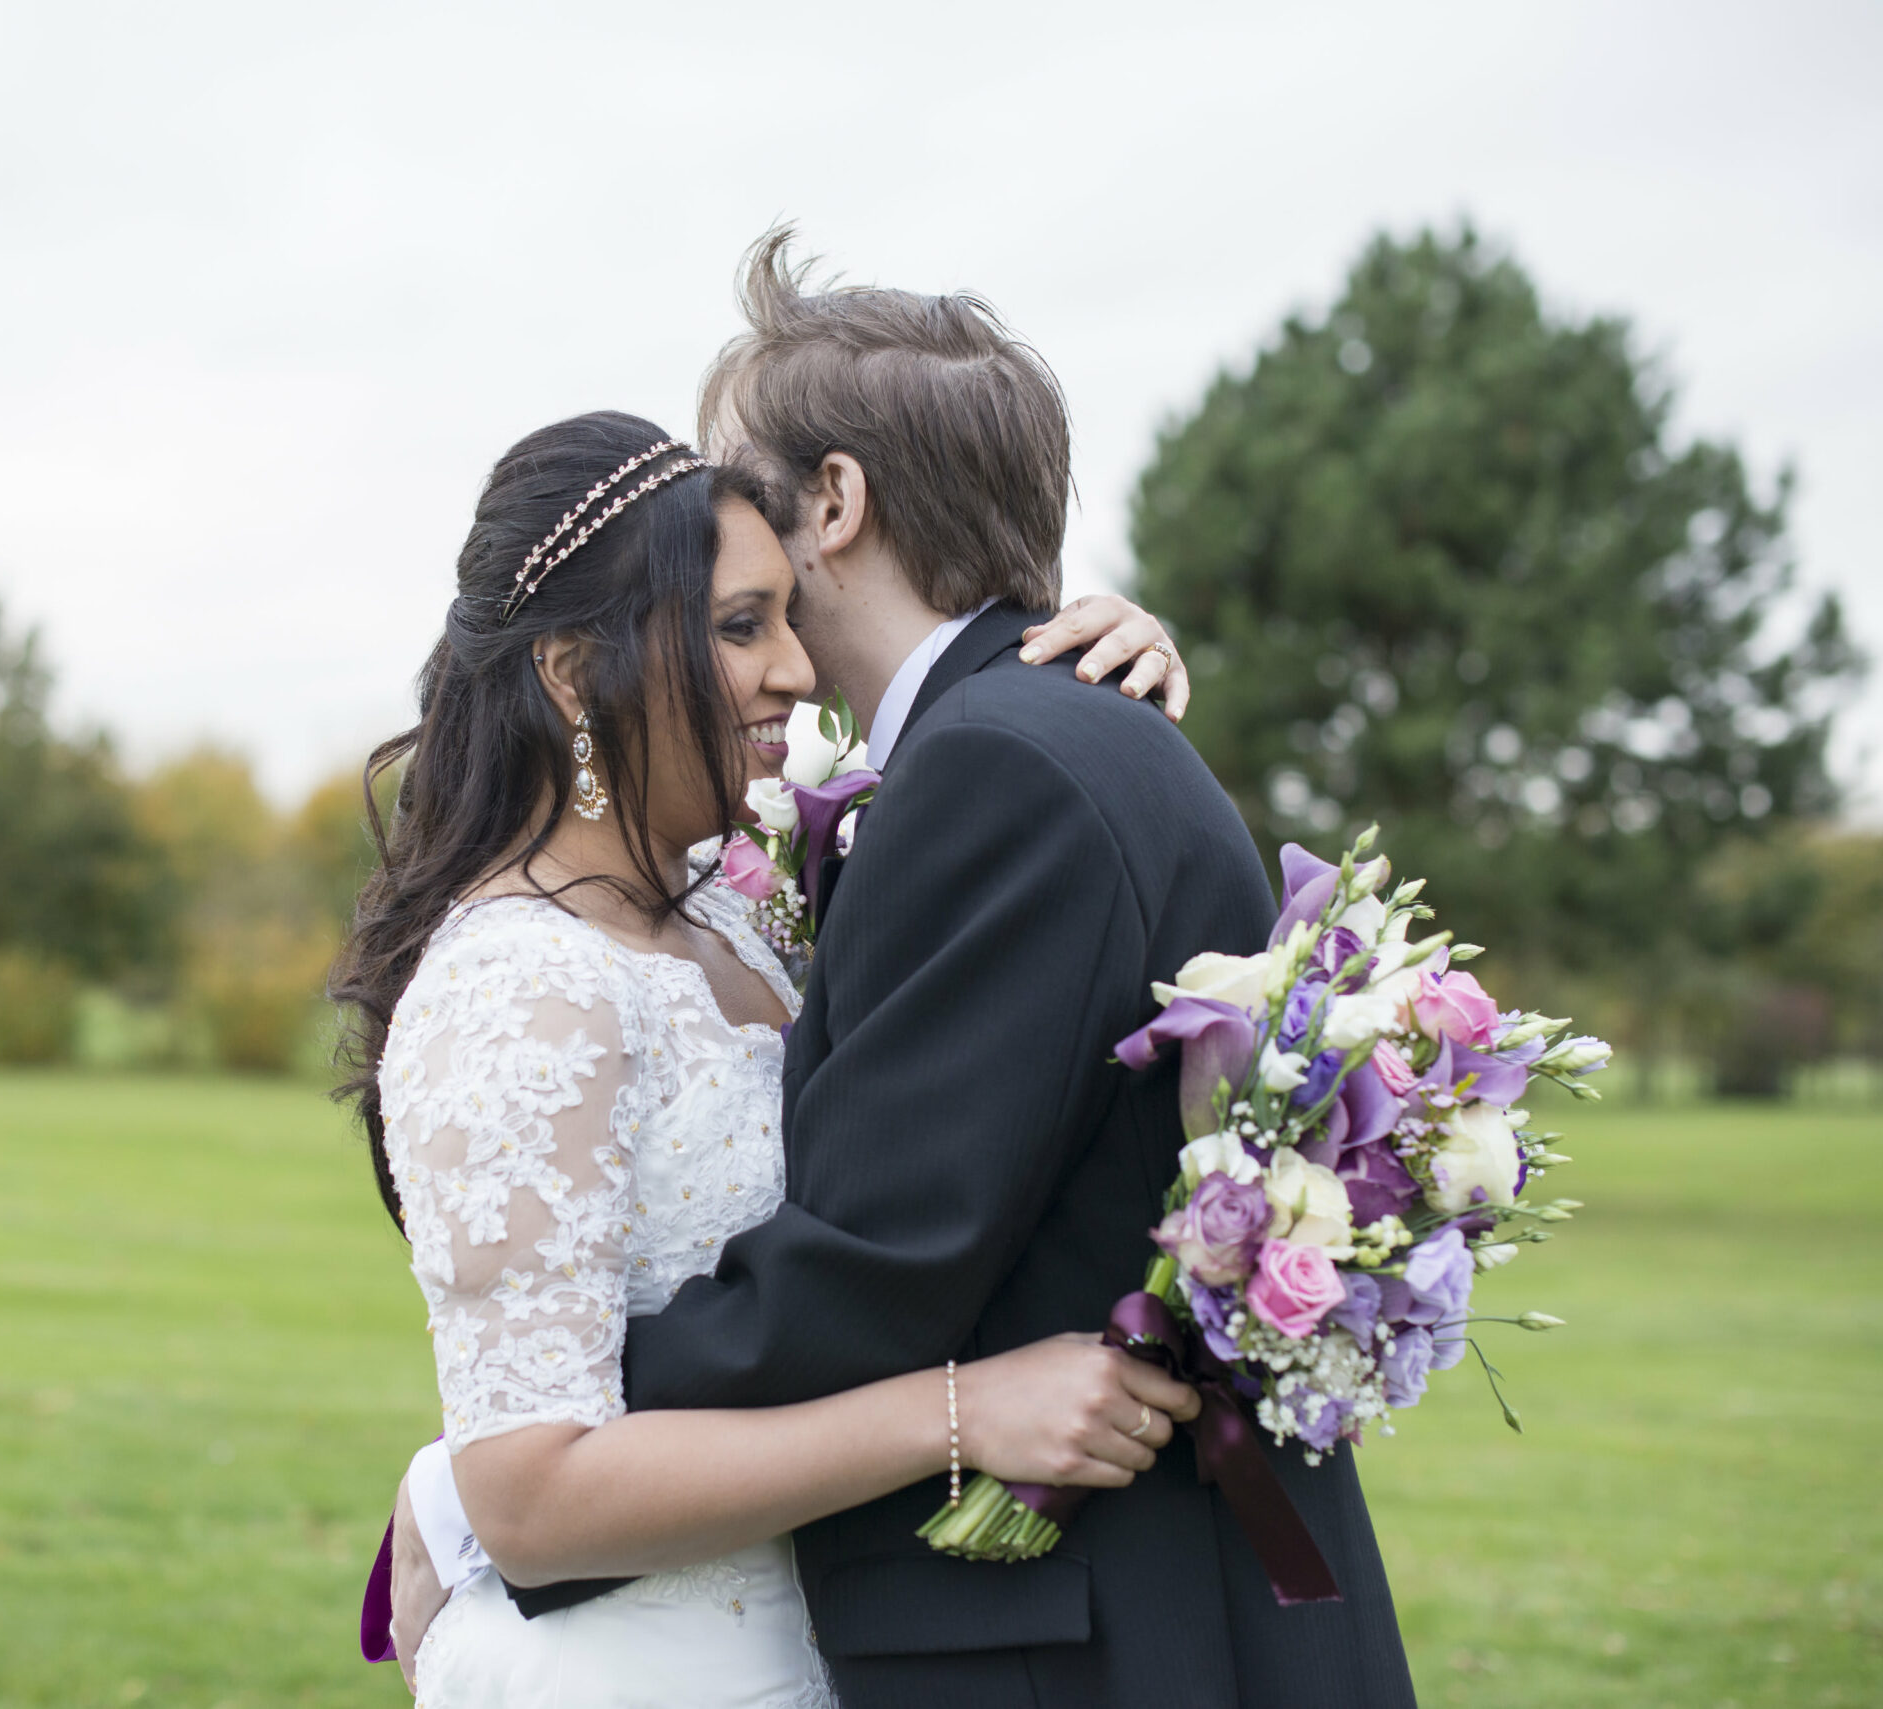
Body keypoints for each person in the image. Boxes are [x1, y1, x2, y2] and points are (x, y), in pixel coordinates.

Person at [375, 233, 1416, 1706]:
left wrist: (467, 1486)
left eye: (735, 493)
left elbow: (872, 1266)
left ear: (838, 502)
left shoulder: (997, 764)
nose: (709, 513)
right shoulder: (1007, 755)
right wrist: (510, 1459)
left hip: (1094, 1630)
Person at [334, 406, 1201, 1708]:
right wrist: (961, 1414)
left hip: (830, 1637)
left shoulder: (744, 899)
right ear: (573, 673)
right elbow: (529, 1494)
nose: (798, 668)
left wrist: (1078, 676)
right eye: (743, 626)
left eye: (791, 616)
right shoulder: (516, 986)